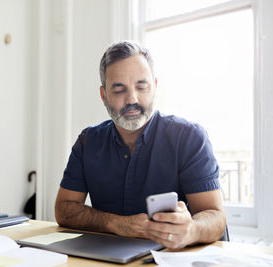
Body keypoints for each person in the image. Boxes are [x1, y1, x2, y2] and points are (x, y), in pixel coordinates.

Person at [54, 40, 226, 249]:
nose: (132, 99)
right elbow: (63, 210)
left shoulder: (189, 137)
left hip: (173, 257)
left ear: (154, 86)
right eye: (119, 90)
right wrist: (116, 224)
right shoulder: (88, 141)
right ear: (103, 95)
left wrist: (192, 230)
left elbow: (216, 217)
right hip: (108, 259)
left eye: (141, 87)